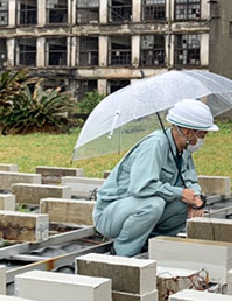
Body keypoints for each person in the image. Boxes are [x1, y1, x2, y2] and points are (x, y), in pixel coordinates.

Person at [93, 98, 217, 256]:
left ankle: (151, 246)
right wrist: (180, 193)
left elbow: (190, 180)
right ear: (187, 131)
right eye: (202, 135)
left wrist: (196, 197)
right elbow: (141, 188)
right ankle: (122, 253)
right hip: (112, 215)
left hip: (140, 210)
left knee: (184, 205)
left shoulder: (184, 150)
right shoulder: (155, 144)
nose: (202, 140)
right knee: (154, 204)